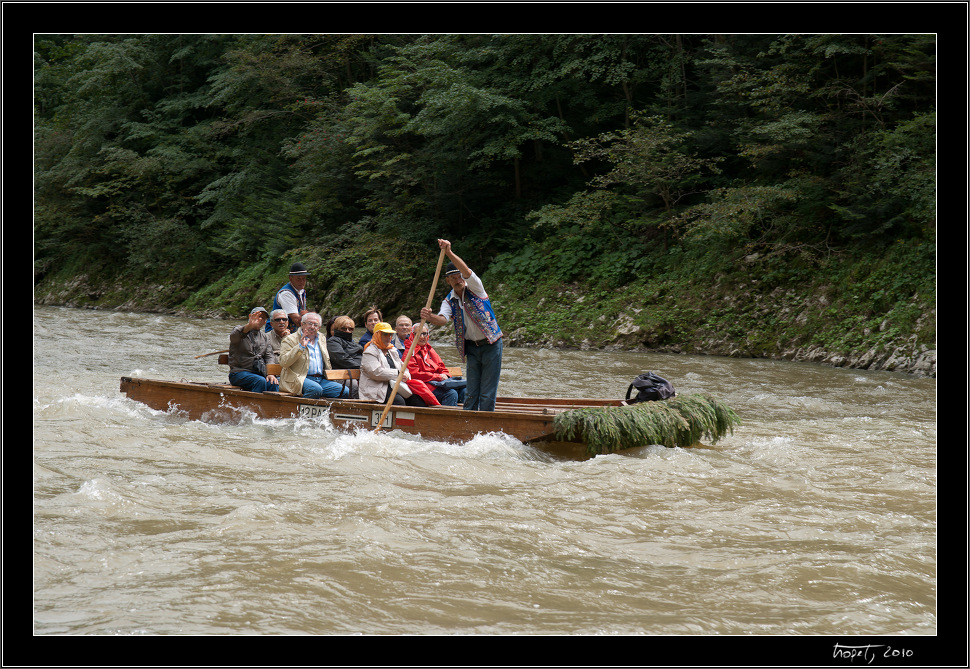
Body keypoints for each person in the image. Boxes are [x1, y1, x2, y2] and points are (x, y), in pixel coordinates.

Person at [420, 239, 503, 411]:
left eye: (459, 277)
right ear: (448, 281)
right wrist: (429, 317)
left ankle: (486, 427)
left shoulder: (475, 287)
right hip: (472, 347)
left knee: (487, 392)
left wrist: (449, 252)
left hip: (491, 344)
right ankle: (468, 425)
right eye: (453, 277)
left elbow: (466, 272)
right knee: (471, 391)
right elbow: (442, 320)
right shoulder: (449, 300)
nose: (458, 280)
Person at [278, 312, 349, 399]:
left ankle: (327, 412)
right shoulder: (289, 339)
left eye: (315, 325)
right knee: (315, 389)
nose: (312, 327)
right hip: (298, 379)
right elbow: (283, 362)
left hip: (320, 379)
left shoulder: (322, 338)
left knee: (344, 391)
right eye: (310, 324)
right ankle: (299, 411)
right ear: (302, 324)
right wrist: (300, 347)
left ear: (319, 328)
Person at [359, 322, 415, 405]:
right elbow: (376, 372)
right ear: (377, 335)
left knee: (417, 400)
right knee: (399, 402)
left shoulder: (392, 350)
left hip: (395, 385)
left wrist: (406, 374)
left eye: (390, 335)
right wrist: (399, 374)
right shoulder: (369, 352)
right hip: (377, 388)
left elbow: (403, 367)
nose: (388, 337)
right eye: (385, 334)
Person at [405, 324, 461, 407]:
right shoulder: (409, 353)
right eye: (419, 334)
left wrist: (445, 375)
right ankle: (446, 419)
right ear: (413, 335)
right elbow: (414, 374)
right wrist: (438, 377)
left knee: (464, 391)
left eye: (424, 334)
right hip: (423, 386)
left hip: (438, 383)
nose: (422, 337)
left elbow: (442, 368)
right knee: (451, 394)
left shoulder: (429, 350)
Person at [228, 307, 280, 392]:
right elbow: (234, 336)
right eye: (257, 317)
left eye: (262, 318)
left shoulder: (265, 337)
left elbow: (269, 356)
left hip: (258, 372)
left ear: (265, 322)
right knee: (260, 381)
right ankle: (255, 405)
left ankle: (272, 405)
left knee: (273, 382)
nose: (260, 319)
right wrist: (249, 326)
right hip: (239, 373)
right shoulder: (239, 330)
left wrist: (271, 373)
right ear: (250, 317)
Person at [266, 262, 309, 332]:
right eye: (298, 279)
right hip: (275, 334)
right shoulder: (286, 294)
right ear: (291, 278)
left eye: (303, 279)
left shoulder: (301, 291)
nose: (302, 282)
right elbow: (297, 320)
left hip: (290, 333)